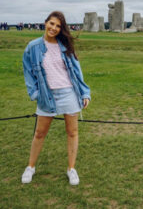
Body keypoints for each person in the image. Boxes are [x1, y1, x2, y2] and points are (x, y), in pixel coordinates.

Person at [22, 11, 91, 185]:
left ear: (61, 29)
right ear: (45, 23)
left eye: (58, 26)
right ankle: (30, 167)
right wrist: (35, 94)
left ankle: (71, 168)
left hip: (68, 93)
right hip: (47, 94)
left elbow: (77, 71)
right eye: (51, 24)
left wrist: (84, 93)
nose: (54, 28)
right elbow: (28, 73)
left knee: (72, 132)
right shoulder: (33, 47)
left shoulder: (64, 46)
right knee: (39, 133)